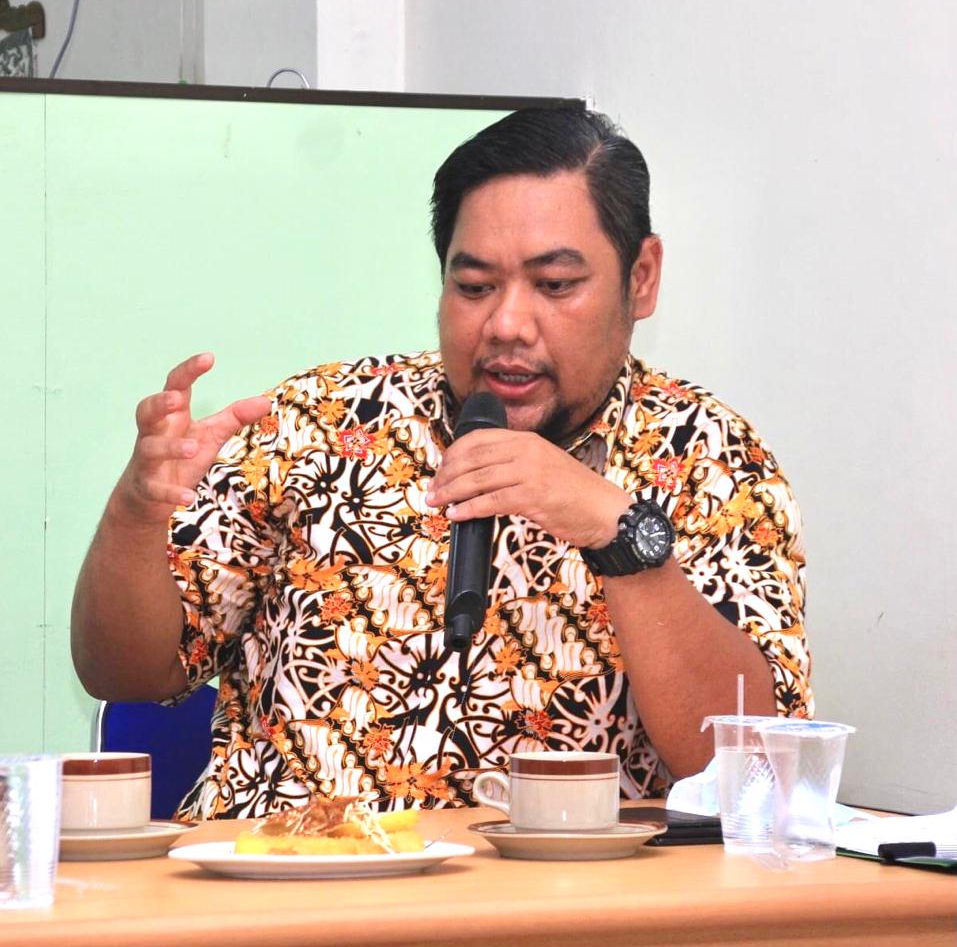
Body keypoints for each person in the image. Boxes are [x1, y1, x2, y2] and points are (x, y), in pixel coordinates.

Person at [71, 108, 812, 820]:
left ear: (641, 277)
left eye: (555, 285)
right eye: (474, 287)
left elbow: (751, 774)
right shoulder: (317, 424)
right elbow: (124, 673)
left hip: (567, 894)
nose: (506, 324)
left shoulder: (708, 455)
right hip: (294, 882)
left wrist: (622, 541)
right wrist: (134, 517)